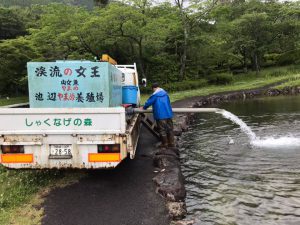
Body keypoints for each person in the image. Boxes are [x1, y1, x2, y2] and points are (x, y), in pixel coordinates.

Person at [141, 83, 175, 148]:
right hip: (168, 114)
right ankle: (172, 143)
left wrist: (144, 108)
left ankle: (165, 144)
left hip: (160, 115)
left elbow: (148, 103)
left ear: (154, 88)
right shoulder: (165, 93)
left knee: (162, 130)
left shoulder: (155, 95)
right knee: (170, 129)